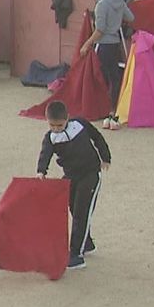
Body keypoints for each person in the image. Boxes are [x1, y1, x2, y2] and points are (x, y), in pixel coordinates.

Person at [37, 100, 112, 271]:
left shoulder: (80, 124)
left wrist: (105, 157)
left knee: (81, 213)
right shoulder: (50, 138)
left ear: (67, 119)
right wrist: (41, 171)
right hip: (71, 176)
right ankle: (87, 242)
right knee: (72, 207)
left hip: (90, 174)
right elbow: (45, 155)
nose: (56, 129)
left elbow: (97, 137)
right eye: (52, 125)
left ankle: (76, 254)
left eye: (59, 125)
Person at [80, 0, 134, 130]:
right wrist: (115, 20)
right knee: (114, 78)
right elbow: (130, 17)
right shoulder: (119, 0)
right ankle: (113, 110)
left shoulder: (102, 4)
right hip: (115, 44)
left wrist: (87, 44)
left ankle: (105, 111)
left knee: (101, 78)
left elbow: (100, 30)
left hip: (103, 46)